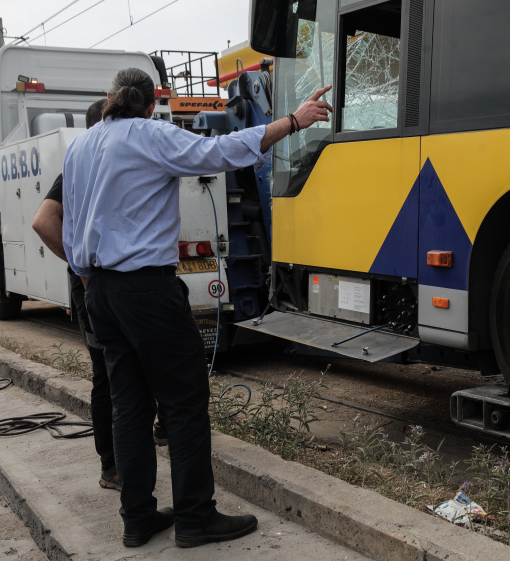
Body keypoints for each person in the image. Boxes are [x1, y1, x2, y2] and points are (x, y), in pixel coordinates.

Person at [62, 67, 332, 549]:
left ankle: (137, 517)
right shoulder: (150, 135)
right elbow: (221, 151)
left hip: (99, 290)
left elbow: (70, 222)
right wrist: (294, 120)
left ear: (110, 99)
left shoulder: (81, 146)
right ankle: (194, 516)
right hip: (147, 291)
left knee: (129, 407)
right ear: (151, 104)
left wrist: (91, 278)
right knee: (184, 402)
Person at [33, 98, 121, 491]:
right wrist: (82, 271)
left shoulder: (96, 165)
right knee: (106, 376)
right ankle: (111, 467)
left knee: (121, 372)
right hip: (93, 290)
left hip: (107, 289)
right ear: (101, 126)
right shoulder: (78, 168)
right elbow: (43, 221)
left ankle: (129, 453)